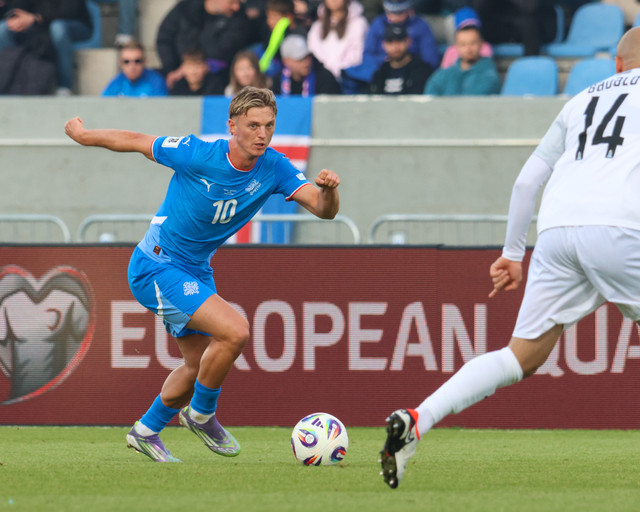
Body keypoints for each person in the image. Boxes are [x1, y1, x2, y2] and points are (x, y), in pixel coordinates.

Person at [380, 26, 640, 489]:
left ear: (616, 65)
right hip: (622, 226)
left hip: (556, 231)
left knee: (521, 356)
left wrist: (512, 253)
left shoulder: (579, 100)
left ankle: (418, 419)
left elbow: (526, 181)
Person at [65, 86, 341, 463]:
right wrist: (84, 135)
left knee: (199, 367)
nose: (262, 134)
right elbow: (136, 140)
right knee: (236, 331)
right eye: (253, 125)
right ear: (232, 126)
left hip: (194, 269)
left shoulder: (274, 166)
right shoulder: (197, 153)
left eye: (269, 126)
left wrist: (328, 191)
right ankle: (201, 414)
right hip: (156, 265)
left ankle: (145, 430)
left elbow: (324, 210)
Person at [0, 0, 92, 95]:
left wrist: (35, 18)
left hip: (72, 23)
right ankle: (6, 82)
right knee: (3, 28)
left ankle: (64, 87)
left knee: (58, 28)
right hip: (38, 25)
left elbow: (68, 12)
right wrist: (16, 17)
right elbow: (17, 6)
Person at [156, 0, 253, 88]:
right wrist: (172, 69)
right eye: (231, 2)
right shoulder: (185, 8)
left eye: (238, 3)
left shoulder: (239, 17)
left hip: (218, 81)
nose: (236, 7)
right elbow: (164, 38)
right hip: (179, 79)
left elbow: (226, 49)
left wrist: (194, 66)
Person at [424, 10, 499, 96]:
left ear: (481, 43)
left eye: (473, 43)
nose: (468, 49)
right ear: (457, 46)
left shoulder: (489, 76)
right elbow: (431, 91)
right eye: (463, 44)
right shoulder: (445, 74)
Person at [306, 0, 369, 79]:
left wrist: (338, 71)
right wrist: (325, 74)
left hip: (348, 79)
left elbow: (358, 55)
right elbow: (312, 51)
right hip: (321, 79)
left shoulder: (359, 24)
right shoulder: (317, 26)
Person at [369, 23, 431, 94]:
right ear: (384, 45)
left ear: (408, 41)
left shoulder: (421, 70)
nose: (395, 47)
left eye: (399, 41)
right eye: (390, 42)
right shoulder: (380, 73)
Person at [271, 34, 342, 95]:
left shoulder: (325, 78)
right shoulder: (278, 81)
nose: (306, 63)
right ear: (285, 61)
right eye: (300, 59)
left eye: (308, 57)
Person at [102, 41, 168, 97]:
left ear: (144, 62)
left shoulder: (156, 82)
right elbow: (104, 104)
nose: (132, 66)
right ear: (121, 63)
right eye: (126, 61)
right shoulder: (116, 82)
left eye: (137, 61)